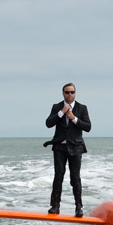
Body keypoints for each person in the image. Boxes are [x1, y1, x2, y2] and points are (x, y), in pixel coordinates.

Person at [44, 83, 91, 217]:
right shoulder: (56, 107)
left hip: (76, 147)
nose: (69, 94)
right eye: (67, 92)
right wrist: (61, 113)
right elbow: (48, 123)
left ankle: (78, 207)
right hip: (59, 147)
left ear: (75, 93)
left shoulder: (82, 108)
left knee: (75, 178)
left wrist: (74, 118)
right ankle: (55, 206)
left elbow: (88, 127)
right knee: (58, 176)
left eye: (72, 92)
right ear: (63, 93)